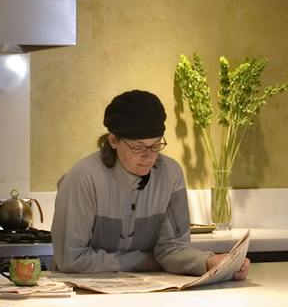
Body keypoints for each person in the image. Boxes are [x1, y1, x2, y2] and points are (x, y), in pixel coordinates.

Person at [51, 90, 246, 278]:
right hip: (83, 293)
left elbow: (173, 248)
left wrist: (209, 262)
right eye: (138, 147)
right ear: (113, 141)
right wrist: (145, 260)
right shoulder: (83, 178)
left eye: (156, 145)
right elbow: (71, 259)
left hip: (149, 290)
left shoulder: (171, 175)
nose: (149, 157)